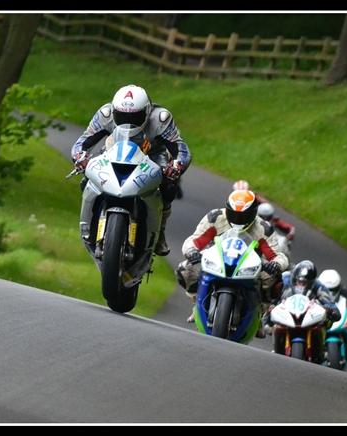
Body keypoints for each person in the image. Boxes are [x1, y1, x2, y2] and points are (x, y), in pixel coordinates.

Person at [72, 84, 192, 256]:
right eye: (121, 116)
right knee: (87, 179)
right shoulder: (105, 115)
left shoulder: (161, 118)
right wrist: (80, 157)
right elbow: (81, 142)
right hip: (113, 152)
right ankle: (90, 223)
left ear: (147, 111)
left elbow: (181, 149)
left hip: (152, 157)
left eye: (135, 117)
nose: (128, 122)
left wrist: (176, 166)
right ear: (114, 111)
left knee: (169, 187)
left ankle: (160, 233)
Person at [175, 189, 289, 332]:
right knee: (185, 270)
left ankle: (260, 313)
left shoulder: (262, 228)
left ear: (253, 213)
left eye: (243, 215)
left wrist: (276, 264)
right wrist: (191, 251)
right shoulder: (215, 218)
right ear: (227, 209)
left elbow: (278, 256)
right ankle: (197, 304)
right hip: (216, 259)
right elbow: (195, 239)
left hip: (249, 266)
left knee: (276, 279)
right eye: (234, 214)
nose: (238, 219)